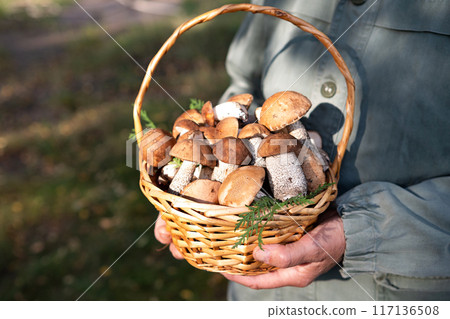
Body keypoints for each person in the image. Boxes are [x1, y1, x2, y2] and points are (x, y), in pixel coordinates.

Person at [155, 0, 450, 300]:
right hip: (253, 285)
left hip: (390, 289)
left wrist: (362, 230)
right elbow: (243, 82)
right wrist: (189, 203)